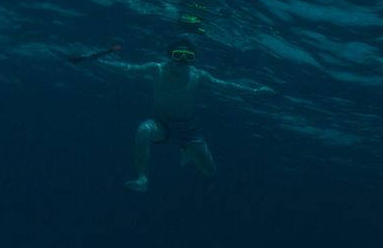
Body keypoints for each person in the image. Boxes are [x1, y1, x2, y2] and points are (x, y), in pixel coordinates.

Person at [100, 35, 274, 193]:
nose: (182, 61)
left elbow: (226, 87)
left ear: (193, 59)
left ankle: (187, 151)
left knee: (209, 171)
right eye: (178, 55)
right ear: (169, 55)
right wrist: (99, 61)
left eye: (188, 57)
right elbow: (128, 69)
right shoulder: (156, 69)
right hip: (161, 124)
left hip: (188, 129)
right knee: (143, 130)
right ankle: (142, 178)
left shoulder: (198, 75)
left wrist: (254, 92)